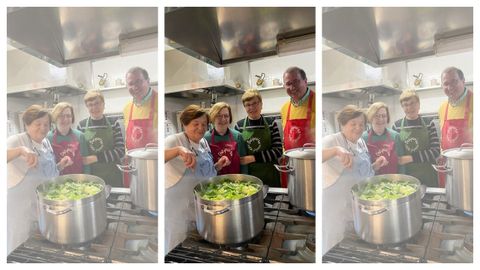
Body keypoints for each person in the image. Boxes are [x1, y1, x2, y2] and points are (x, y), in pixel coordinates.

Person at [322, 105, 387, 255]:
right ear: (343, 124)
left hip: (356, 209)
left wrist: (375, 166)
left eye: (361, 124)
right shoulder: (333, 140)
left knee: (350, 251)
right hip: (335, 211)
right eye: (353, 124)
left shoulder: (360, 142)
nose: (358, 128)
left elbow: (361, 173)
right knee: (333, 250)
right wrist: (336, 150)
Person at [7, 105, 72, 254]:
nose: (43, 128)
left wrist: (60, 166)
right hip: (21, 213)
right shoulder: (17, 140)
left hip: (41, 211)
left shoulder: (45, 143)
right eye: (38, 124)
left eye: (46, 124)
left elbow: (47, 174)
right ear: (27, 124)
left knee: (36, 253)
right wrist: (20, 151)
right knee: (18, 252)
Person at [164, 105, 230, 254]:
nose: (201, 128)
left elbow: (202, 173)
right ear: (185, 124)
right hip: (177, 212)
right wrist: (178, 150)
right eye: (196, 124)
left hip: (198, 209)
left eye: (204, 125)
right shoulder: (174, 140)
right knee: (175, 251)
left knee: (193, 251)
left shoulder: (203, 142)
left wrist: (217, 166)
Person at [234, 89, 282, 187]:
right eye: (248, 105)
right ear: (244, 107)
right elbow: (236, 153)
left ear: (261, 104)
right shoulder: (239, 126)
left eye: (255, 103)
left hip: (270, 174)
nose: (252, 107)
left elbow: (278, 151)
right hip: (249, 177)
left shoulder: (271, 123)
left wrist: (253, 158)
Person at [392, 90, 440, 187]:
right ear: (402, 107)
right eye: (405, 105)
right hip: (406, 177)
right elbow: (394, 153)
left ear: (418, 104)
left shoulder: (428, 123)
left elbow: (435, 151)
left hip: (428, 175)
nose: (409, 107)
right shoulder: (396, 126)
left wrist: (411, 158)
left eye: (412, 103)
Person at [77, 90, 125, 187]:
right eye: (90, 105)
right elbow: (79, 153)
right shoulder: (81, 126)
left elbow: (120, 151)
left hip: (112, 176)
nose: (94, 107)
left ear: (103, 104)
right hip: (91, 177)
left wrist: (95, 158)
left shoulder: (113, 123)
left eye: (97, 103)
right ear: (87, 107)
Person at [280, 66, 315, 186]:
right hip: (290, 165)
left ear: (305, 81)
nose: (292, 87)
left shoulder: (317, 101)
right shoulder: (284, 108)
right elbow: (285, 139)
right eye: (288, 83)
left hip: (312, 166)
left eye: (296, 81)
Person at [123, 66, 158, 187]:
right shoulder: (127, 108)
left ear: (148, 81)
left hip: (154, 166)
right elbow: (128, 139)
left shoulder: (159, 101)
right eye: (131, 84)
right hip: (133, 165)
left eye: (139, 81)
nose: (135, 87)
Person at [438, 67, 472, 187]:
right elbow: (443, 138)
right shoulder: (443, 108)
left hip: (471, 168)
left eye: (454, 81)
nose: (450, 87)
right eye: (446, 83)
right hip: (449, 168)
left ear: (463, 81)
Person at [204, 102, 248, 175]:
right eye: (219, 116)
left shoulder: (238, 136)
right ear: (213, 117)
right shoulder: (205, 138)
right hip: (214, 182)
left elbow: (243, 163)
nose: (223, 119)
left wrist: (244, 179)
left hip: (236, 182)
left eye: (226, 116)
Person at [362, 102, 405, 175]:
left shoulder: (395, 136)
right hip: (372, 183)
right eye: (377, 116)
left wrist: (401, 180)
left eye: (384, 116)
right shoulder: (363, 138)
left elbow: (402, 164)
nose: (381, 119)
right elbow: (362, 166)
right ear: (371, 117)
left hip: (394, 182)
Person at [47, 102, 90, 175]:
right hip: (57, 181)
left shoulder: (80, 136)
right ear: (55, 117)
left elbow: (86, 162)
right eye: (61, 116)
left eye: (69, 116)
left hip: (79, 180)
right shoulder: (48, 138)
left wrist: (87, 179)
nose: (65, 119)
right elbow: (47, 166)